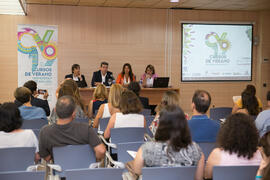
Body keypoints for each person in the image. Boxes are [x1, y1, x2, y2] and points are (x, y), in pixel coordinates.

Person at [132, 105, 204, 180]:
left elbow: (137, 171)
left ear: (160, 125)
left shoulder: (147, 149)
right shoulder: (196, 150)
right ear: (184, 125)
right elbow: (198, 178)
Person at [39, 95, 106, 162]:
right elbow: (101, 151)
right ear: (74, 113)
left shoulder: (45, 131)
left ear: (55, 111)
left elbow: (46, 158)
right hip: (84, 169)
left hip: (60, 171)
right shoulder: (85, 128)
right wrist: (93, 159)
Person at [204, 113, 261, 179]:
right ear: (252, 133)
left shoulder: (217, 154)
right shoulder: (259, 154)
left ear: (226, 132)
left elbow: (207, 176)